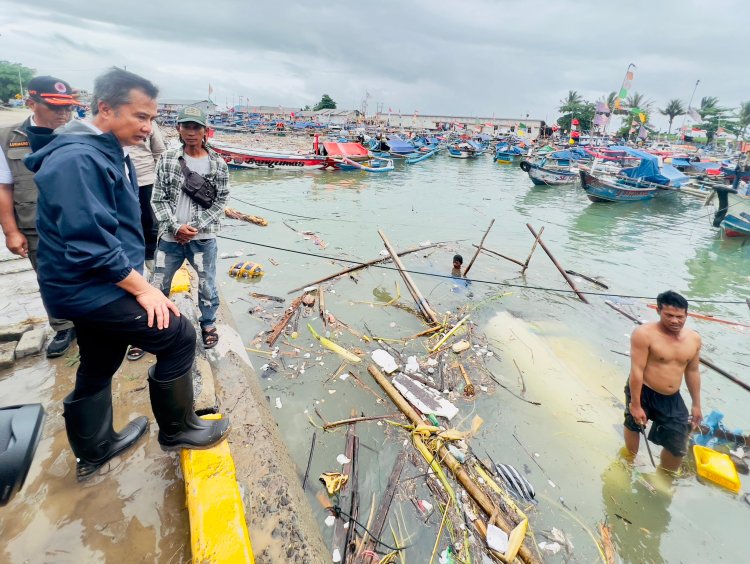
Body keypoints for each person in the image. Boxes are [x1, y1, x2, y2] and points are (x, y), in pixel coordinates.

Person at [24, 67, 229, 481]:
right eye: (141, 117)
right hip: (88, 285)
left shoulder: (102, 148)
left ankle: (96, 447)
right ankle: (178, 430)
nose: (148, 127)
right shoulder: (78, 157)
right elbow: (88, 242)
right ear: (105, 108)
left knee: (102, 357)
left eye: (152, 118)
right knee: (177, 336)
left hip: (92, 280)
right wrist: (145, 289)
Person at [0, 76, 80, 357]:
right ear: (32, 103)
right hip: (34, 223)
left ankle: (91, 322)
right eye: (54, 106)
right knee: (48, 277)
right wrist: (11, 231)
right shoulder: (9, 138)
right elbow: (4, 187)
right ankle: (63, 326)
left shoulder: (80, 134)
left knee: (88, 273)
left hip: (77, 222)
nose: (63, 113)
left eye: (67, 107)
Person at [151, 106, 229, 350]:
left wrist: (193, 227)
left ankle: (208, 325)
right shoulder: (167, 159)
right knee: (158, 284)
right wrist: (175, 227)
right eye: (186, 126)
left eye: (196, 127)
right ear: (178, 129)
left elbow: (221, 201)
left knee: (207, 284)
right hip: (169, 238)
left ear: (206, 131)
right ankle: (153, 328)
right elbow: (158, 198)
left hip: (203, 239)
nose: (191, 132)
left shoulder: (218, 163)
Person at [623, 290, 702, 472]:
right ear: (658, 311)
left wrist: (696, 404)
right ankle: (629, 459)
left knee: (678, 441)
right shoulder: (644, 334)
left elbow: (692, 370)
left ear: (687, 315)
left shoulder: (694, 339)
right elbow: (637, 370)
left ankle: (665, 475)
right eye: (669, 315)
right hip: (644, 389)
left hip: (671, 397)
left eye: (679, 316)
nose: (675, 321)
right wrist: (635, 404)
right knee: (634, 424)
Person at [125, 120, 166, 362]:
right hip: (119, 182)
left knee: (150, 227)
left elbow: (159, 152)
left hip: (145, 180)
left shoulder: (150, 126)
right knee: (127, 235)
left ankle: (150, 262)